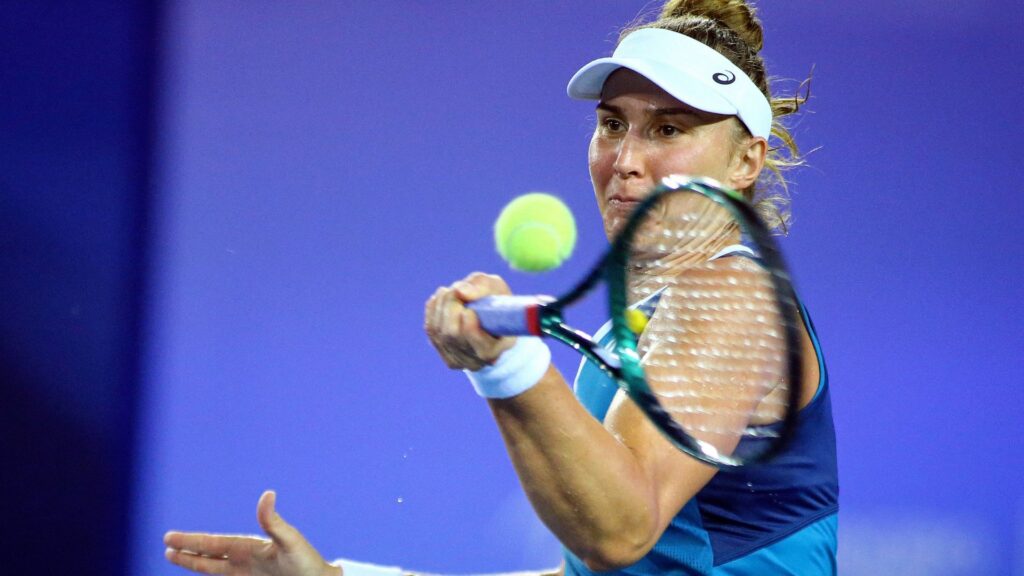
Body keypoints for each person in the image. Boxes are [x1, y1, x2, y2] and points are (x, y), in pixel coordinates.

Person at [164, 1, 838, 575]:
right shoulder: (648, 317)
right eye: (612, 124)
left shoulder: (728, 296)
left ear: (747, 158)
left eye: (668, 129)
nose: (626, 161)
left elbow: (618, 531)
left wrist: (510, 366)